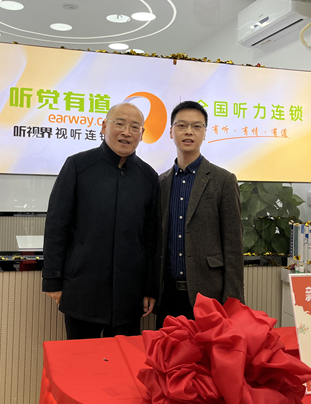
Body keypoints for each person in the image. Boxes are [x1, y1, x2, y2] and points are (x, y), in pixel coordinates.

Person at [42, 102, 158, 340]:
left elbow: (152, 238)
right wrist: (52, 280)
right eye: (120, 123)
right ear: (104, 127)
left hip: (129, 295)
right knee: (82, 360)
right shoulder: (78, 166)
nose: (126, 132)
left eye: (134, 127)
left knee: (125, 361)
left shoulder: (149, 177)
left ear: (142, 134)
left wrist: (150, 288)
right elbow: (56, 225)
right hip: (82, 290)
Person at [155, 100, 244, 329]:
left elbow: (233, 245)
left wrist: (233, 300)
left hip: (209, 295)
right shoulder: (161, 183)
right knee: (167, 351)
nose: (189, 132)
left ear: (205, 133)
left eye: (196, 126)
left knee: (208, 352)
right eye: (182, 125)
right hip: (167, 295)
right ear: (171, 132)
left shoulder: (223, 180)